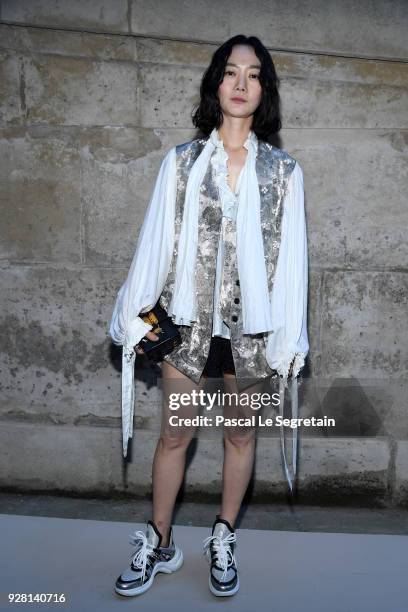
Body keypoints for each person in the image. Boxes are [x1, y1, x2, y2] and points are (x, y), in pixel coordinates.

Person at [109, 34, 308, 598]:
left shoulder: (285, 172)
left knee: (240, 438)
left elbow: (292, 261)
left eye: (252, 74)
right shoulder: (182, 162)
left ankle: (223, 536)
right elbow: (156, 242)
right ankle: (160, 541)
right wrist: (135, 314)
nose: (240, 83)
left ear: (263, 88)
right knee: (175, 436)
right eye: (230, 72)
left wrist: (290, 339)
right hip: (189, 326)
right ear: (215, 84)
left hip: (254, 332)